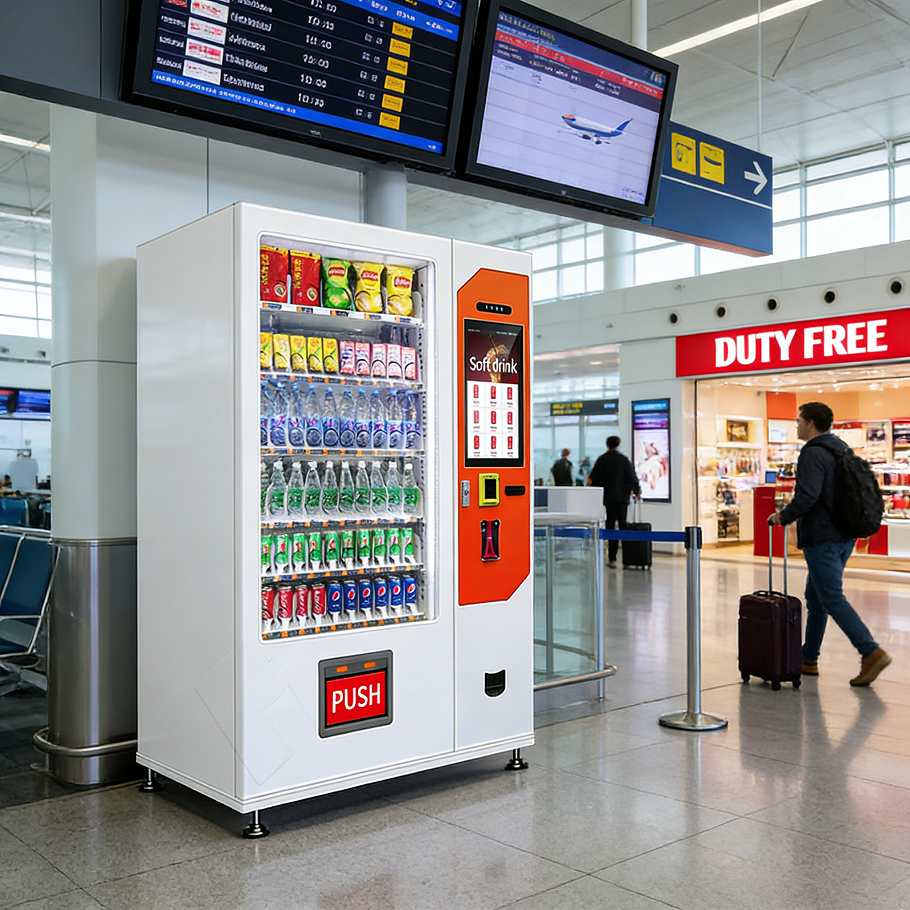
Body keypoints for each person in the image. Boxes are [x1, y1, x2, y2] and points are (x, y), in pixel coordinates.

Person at [770, 402, 890, 686]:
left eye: (799, 421)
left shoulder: (812, 453)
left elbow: (808, 496)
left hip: (822, 537)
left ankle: (870, 651)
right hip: (844, 535)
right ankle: (808, 658)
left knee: (831, 597)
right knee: (816, 598)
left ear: (811, 423)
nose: (797, 425)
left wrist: (783, 516)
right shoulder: (841, 449)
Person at [588, 436, 641, 566]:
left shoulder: (602, 460)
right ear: (618, 445)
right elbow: (631, 477)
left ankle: (612, 557)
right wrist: (636, 491)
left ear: (607, 445)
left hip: (608, 499)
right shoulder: (623, 460)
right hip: (622, 498)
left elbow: (594, 479)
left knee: (610, 526)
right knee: (623, 526)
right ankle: (627, 558)